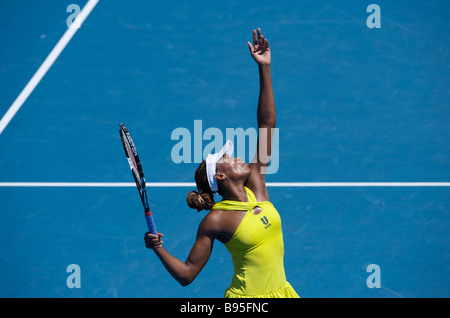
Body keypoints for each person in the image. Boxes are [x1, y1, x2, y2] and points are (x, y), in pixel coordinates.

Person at [145, 28, 299, 298]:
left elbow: (267, 124)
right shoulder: (215, 220)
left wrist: (265, 68)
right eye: (227, 158)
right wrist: (158, 247)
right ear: (221, 177)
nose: (236, 156)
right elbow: (187, 275)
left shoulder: (257, 186)